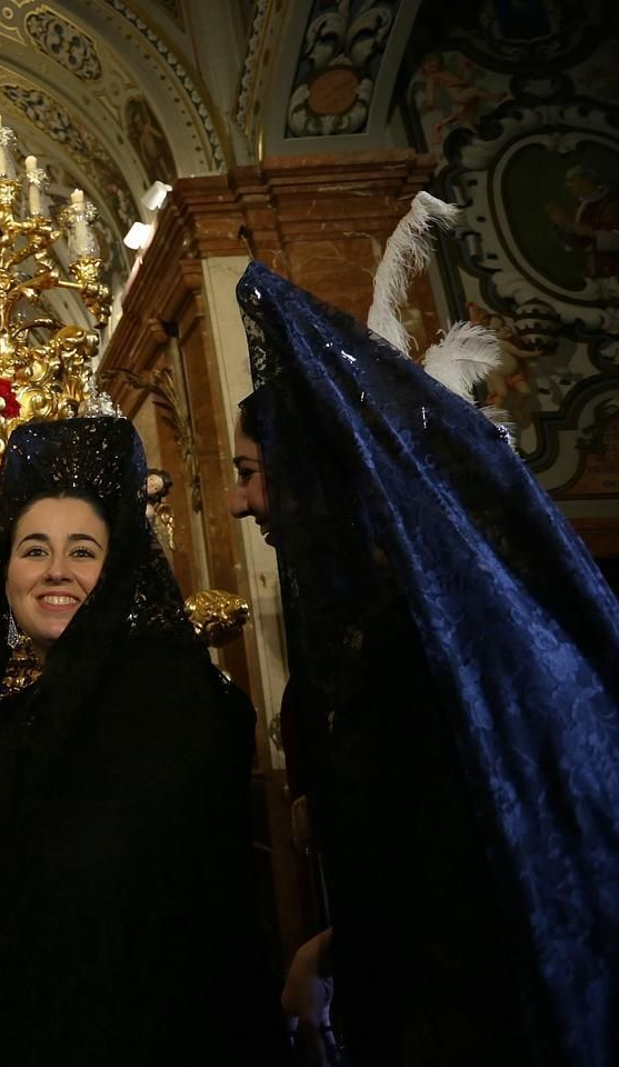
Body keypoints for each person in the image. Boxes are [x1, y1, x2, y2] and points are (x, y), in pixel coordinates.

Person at [230, 261, 619, 1066]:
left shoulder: (428, 636)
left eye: (249, 472)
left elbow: (472, 872)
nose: (239, 501)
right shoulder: (384, 627)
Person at [0, 417, 285, 1065]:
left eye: (83, 551)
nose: (55, 571)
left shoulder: (163, 691)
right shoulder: (21, 713)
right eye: (33, 549)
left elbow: (90, 894)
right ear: (3, 575)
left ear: (119, 570)